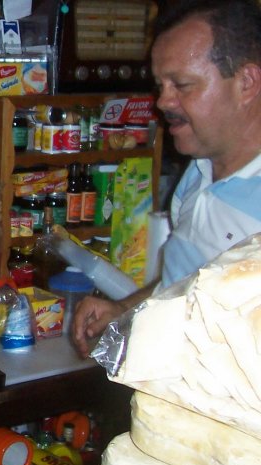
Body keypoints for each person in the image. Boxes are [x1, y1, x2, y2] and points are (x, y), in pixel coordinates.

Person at [72, 0, 261, 356]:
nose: (163, 101)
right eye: (161, 84)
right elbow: (190, 281)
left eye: (182, 84)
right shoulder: (198, 171)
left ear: (246, 82)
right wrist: (127, 310)